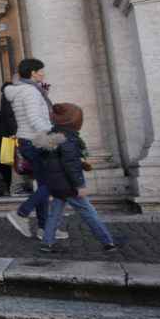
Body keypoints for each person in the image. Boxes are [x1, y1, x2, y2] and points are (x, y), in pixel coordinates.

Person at [35, 103, 118, 254]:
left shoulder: (53, 138)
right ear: (74, 122)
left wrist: (81, 165)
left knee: (54, 213)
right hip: (69, 185)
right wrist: (79, 185)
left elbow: (58, 162)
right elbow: (70, 164)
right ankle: (108, 242)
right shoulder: (69, 139)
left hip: (56, 183)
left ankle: (46, 243)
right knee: (88, 212)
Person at [3, 58, 66, 241]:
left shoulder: (23, 90)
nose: (43, 74)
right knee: (52, 184)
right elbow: (34, 118)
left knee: (44, 184)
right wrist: (53, 135)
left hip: (29, 140)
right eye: (40, 71)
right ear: (32, 72)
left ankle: (44, 227)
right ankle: (21, 213)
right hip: (36, 140)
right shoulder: (30, 92)